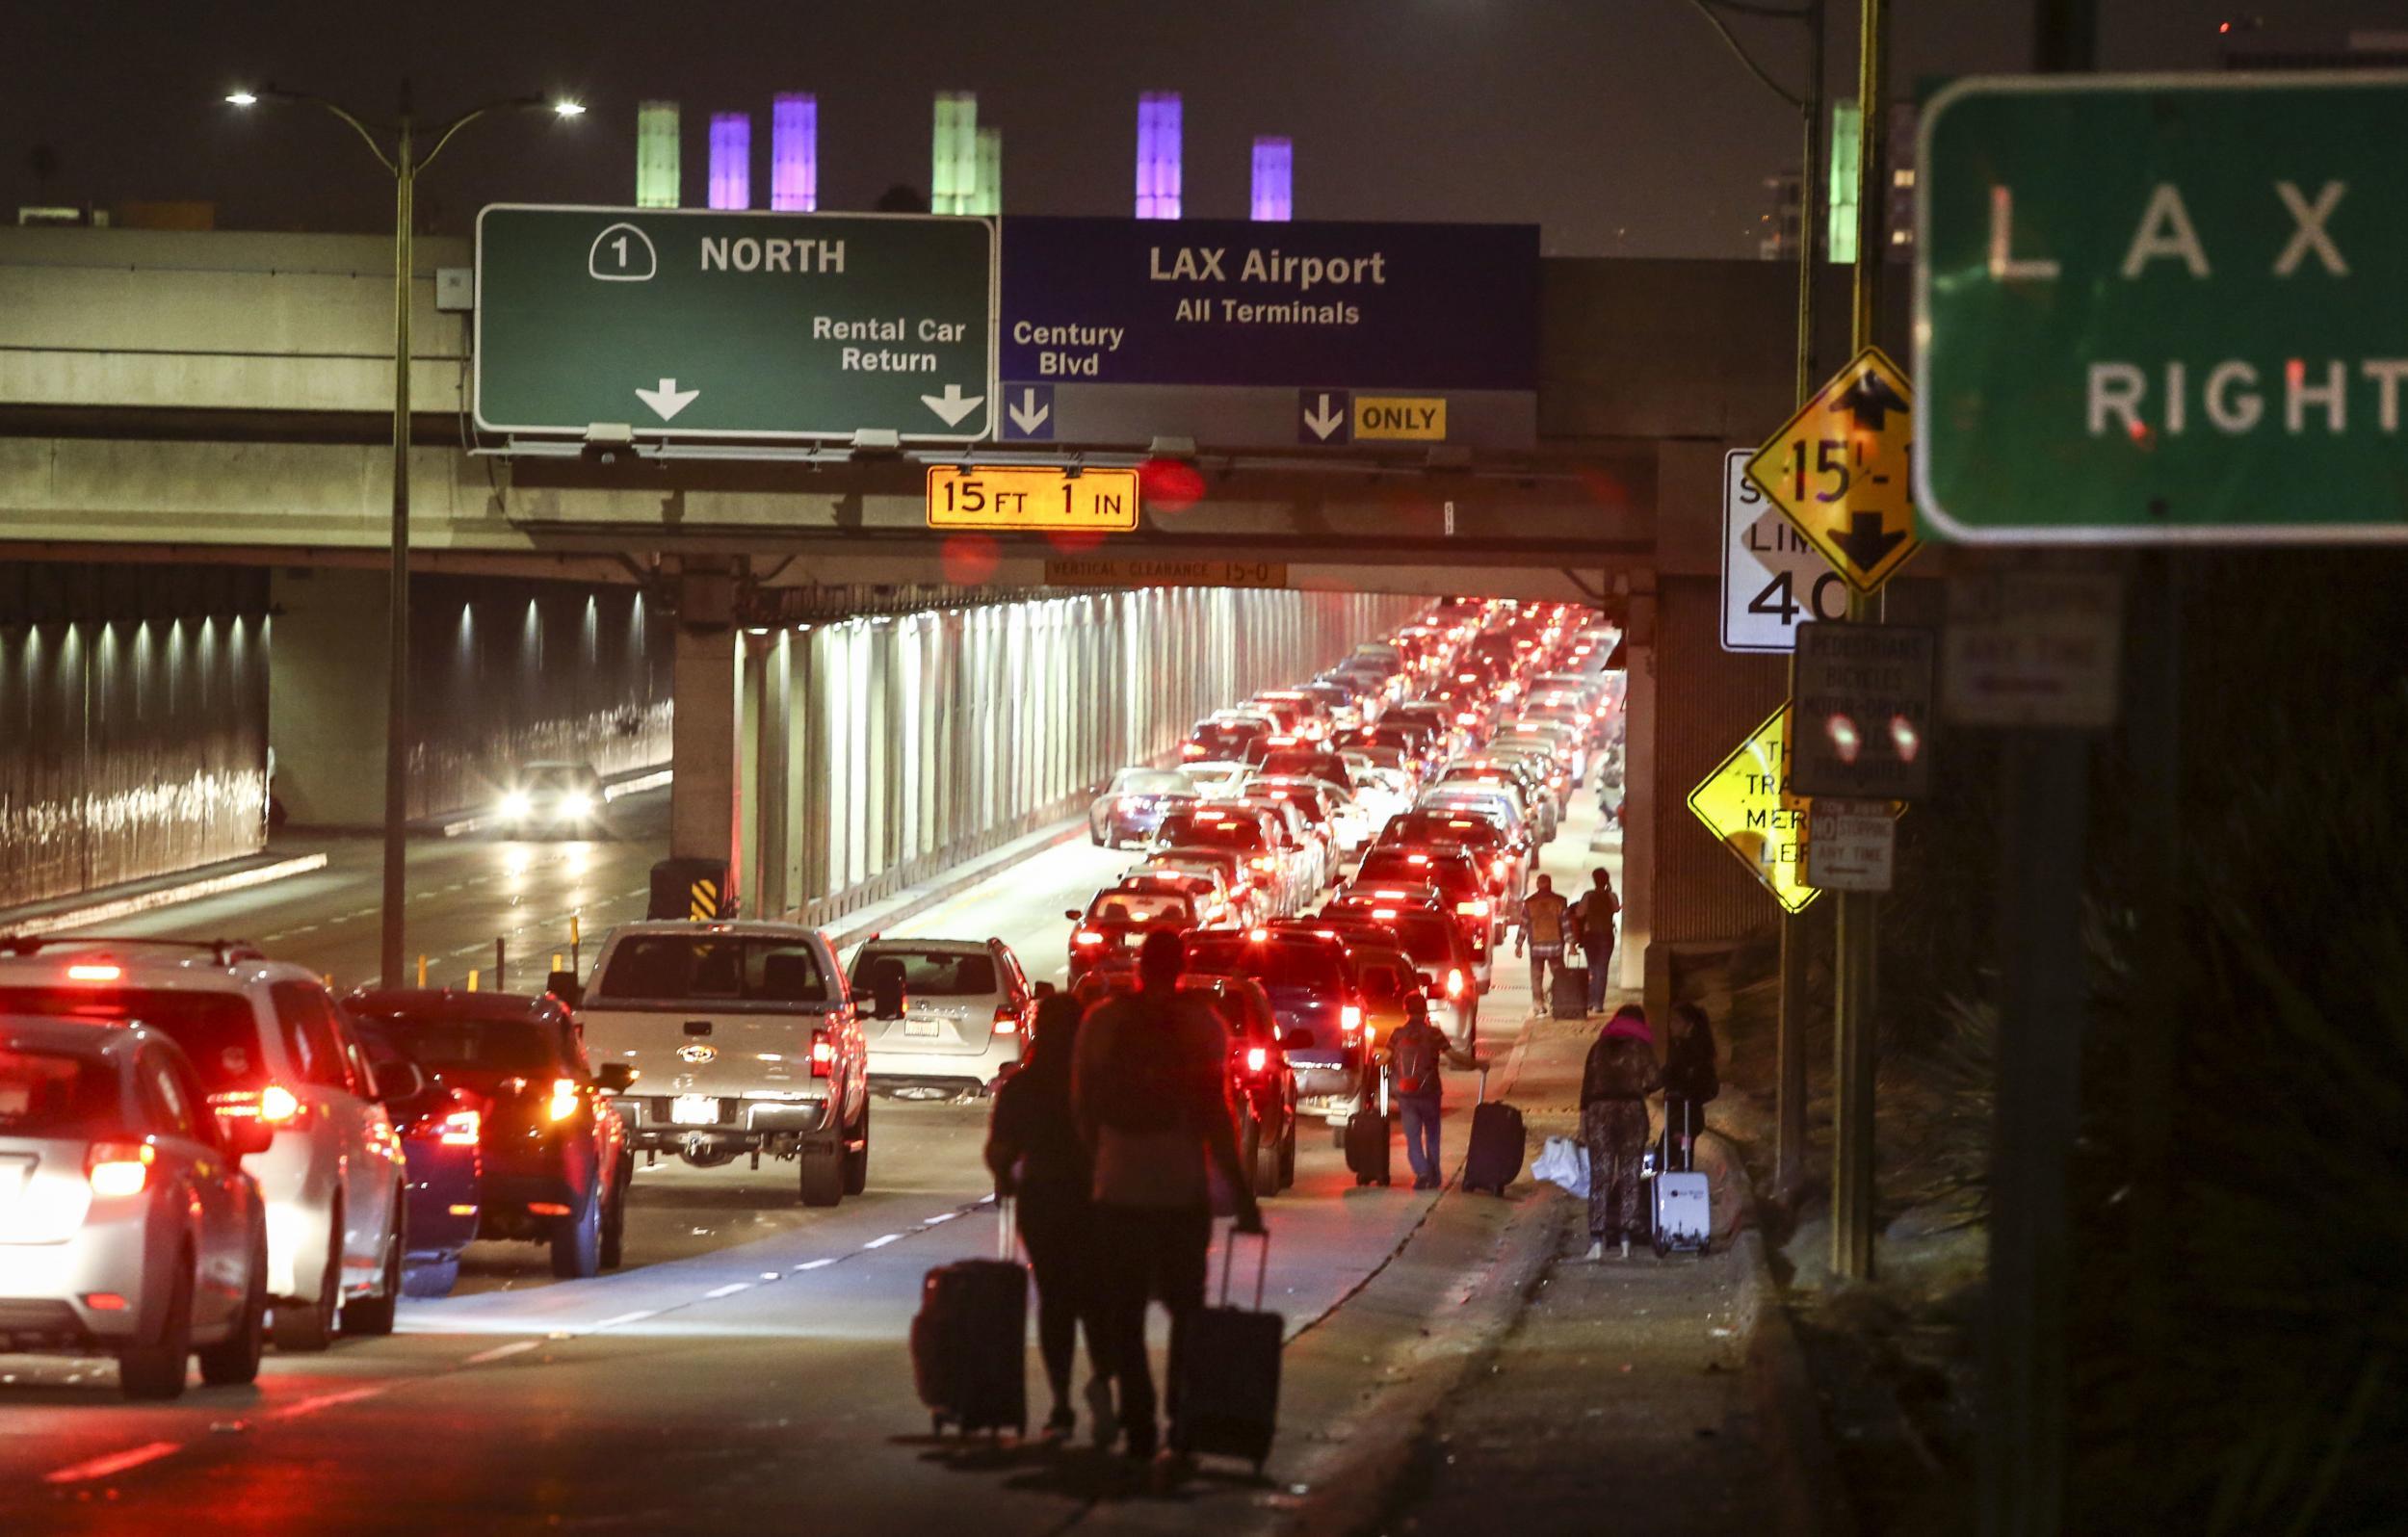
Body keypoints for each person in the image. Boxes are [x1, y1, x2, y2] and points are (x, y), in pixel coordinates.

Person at [1072, 929, 1264, 1484]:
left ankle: (1139, 1427)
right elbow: (1218, 1120)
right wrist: (1242, 1198)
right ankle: (1181, 1426)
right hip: (1181, 1190)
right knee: (1188, 1313)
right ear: (1181, 967)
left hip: (1119, 1188)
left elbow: (1082, 1108)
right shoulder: (1203, 1026)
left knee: (1124, 1316)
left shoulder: (1103, 1023)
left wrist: (1101, 1165)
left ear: (1138, 967)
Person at [984, 993, 1114, 1445]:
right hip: (1096, 1202)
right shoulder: (1099, 1084)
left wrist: (1006, 1175)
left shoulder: (1024, 1086)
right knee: (1098, 1299)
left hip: (1043, 1200)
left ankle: (1061, 1405)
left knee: (1055, 1300)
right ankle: (1103, 1381)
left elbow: (999, 1150)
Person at [1580, 1003, 1662, 1261]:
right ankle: (1626, 1240)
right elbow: (1654, 1080)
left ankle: (1596, 1241)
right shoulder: (1641, 1048)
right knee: (1630, 1175)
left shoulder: (1598, 1048)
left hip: (1600, 1112)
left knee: (1600, 1176)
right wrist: (1639, 1088)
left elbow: (1586, 1087)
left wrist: (1583, 1122)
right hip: (1631, 1112)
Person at [1387, 992, 1463, 1190]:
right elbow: (1454, 1056)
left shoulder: (1397, 1034)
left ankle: (1422, 1172)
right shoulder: (1434, 1033)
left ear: (1405, 1010)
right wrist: (1477, 1064)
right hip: (1430, 1092)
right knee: (1432, 1134)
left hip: (1406, 1093)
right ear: (1425, 1009)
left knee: (1412, 1137)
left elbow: (1383, 1058)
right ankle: (1434, 1175)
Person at [1661, 1002, 1719, 1174]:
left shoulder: (1691, 1054)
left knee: (1677, 1152)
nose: (1671, 1026)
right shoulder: (1686, 1049)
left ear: (1689, 1026)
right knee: (1682, 1151)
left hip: (1684, 1115)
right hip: (1683, 1115)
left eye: (1677, 1022)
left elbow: (1672, 1077)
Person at [1514, 873, 1572, 1012]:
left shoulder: (1529, 903)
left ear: (1538, 885)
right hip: (1556, 946)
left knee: (1536, 976)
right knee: (1559, 975)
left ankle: (1538, 1004)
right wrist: (1571, 944)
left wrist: (1519, 945)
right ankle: (1558, 1001)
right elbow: (1565, 925)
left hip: (1536, 947)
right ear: (1550, 884)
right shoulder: (1560, 901)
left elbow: (1523, 925)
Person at [1571, 868, 1620, 1016]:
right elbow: (1616, 909)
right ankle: (1598, 1003)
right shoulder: (1611, 895)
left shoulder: (1588, 896)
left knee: (1592, 968)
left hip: (1590, 935)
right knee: (1602, 968)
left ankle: (1591, 1000)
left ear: (1594, 880)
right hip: (1606, 935)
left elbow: (1579, 912)